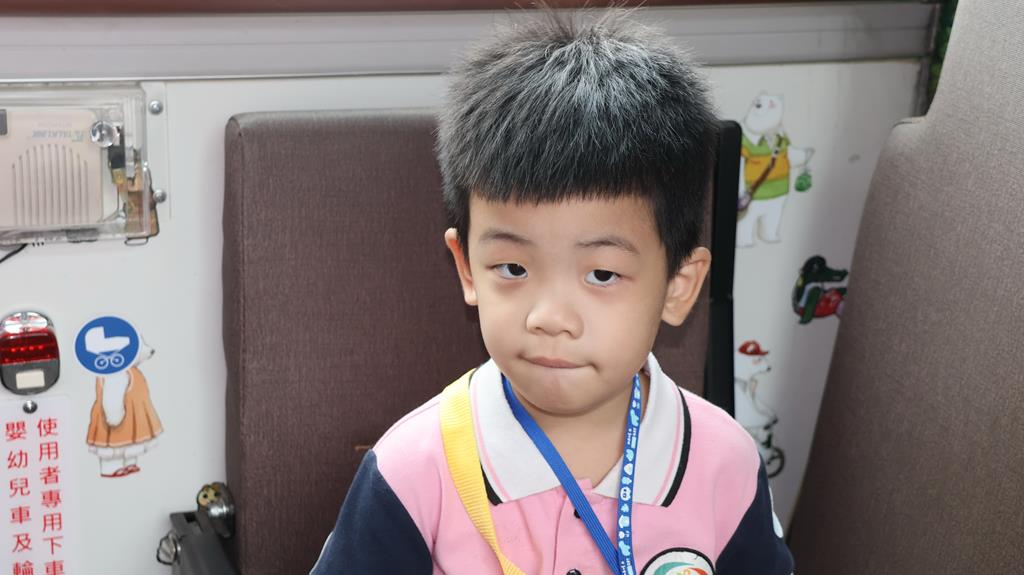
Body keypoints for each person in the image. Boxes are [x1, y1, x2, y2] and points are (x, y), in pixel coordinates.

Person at [312, 9, 794, 575]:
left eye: (602, 275)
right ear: (467, 269)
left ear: (677, 287)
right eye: (513, 268)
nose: (549, 316)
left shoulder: (725, 464)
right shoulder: (412, 469)